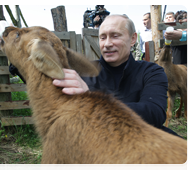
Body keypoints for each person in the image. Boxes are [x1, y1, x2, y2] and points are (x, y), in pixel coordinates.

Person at [52, 14, 180, 137]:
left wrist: (93, 101)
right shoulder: (83, 73)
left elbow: (154, 113)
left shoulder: (151, 72)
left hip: (144, 143)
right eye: (102, 37)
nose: (107, 44)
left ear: (133, 39)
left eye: (115, 36)